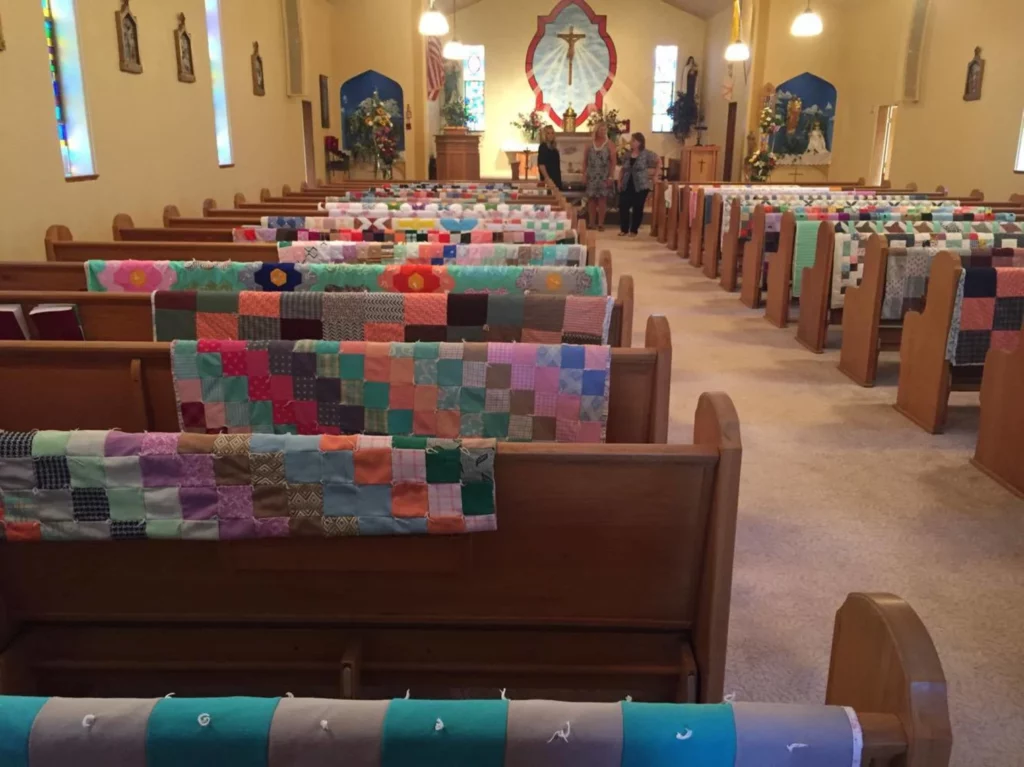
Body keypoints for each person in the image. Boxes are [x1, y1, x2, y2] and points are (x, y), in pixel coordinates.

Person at [618, 132, 658, 237]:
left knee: (638, 207)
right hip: (627, 183)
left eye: (634, 140)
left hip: (641, 185)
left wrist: (655, 175)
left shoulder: (646, 154)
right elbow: (623, 169)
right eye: (631, 140)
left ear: (640, 142)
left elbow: (659, 161)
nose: (631, 142)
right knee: (623, 205)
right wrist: (619, 181)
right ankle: (624, 229)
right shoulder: (627, 154)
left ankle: (634, 230)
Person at [582, 122, 615, 231]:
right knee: (591, 199)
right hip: (591, 175)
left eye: (605, 130)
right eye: (601, 130)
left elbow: (613, 162)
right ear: (596, 130)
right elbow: (585, 161)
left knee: (602, 200)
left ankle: (601, 223)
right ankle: (591, 223)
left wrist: (611, 176)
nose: (603, 132)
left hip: (604, 176)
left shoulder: (609, 144)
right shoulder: (589, 144)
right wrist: (584, 175)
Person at [537, 126, 562, 190]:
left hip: (555, 178)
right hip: (549, 180)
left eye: (552, 133)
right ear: (545, 135)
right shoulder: (543, 146)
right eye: (548, 133)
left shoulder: (552, 147)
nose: (551, 135)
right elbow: (541, 165)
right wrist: (547, 179)